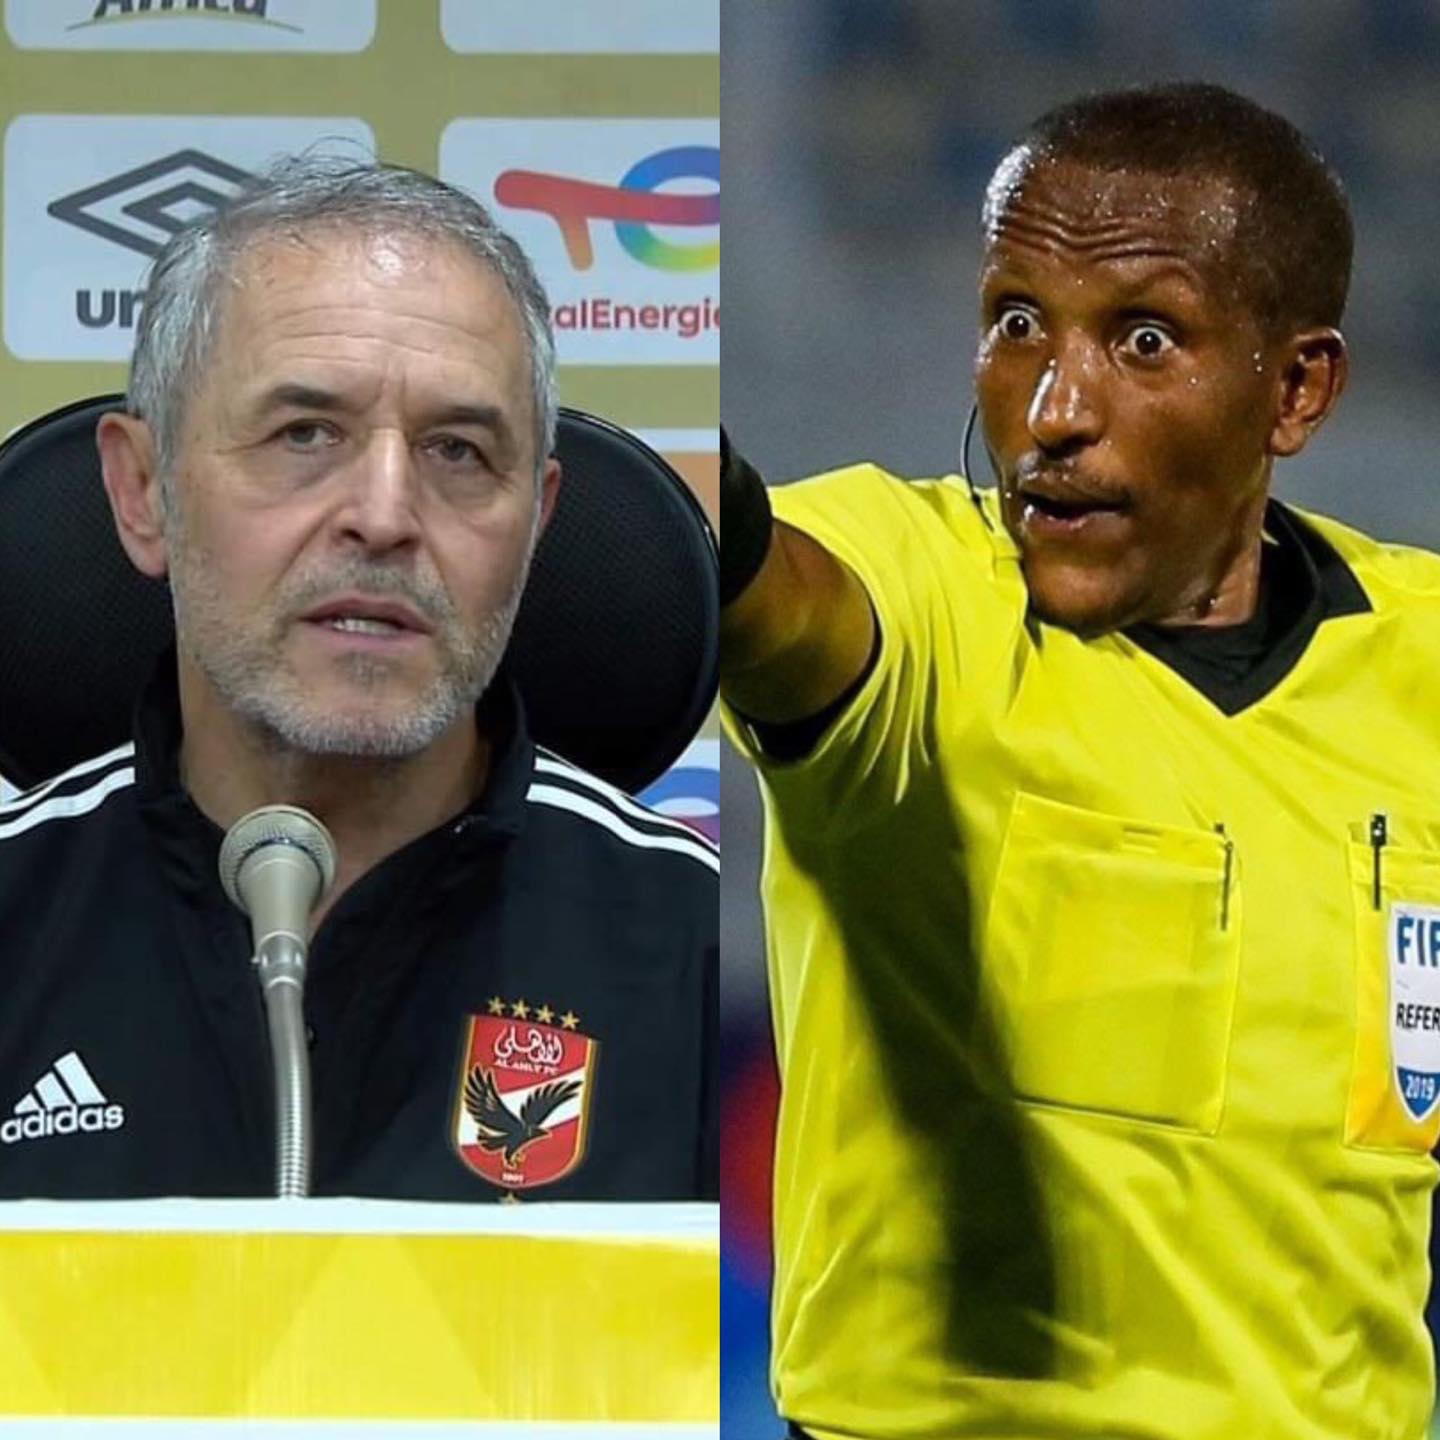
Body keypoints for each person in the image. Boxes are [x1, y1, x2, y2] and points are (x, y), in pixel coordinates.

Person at [722, 82, 1440, 1440]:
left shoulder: (1422, 660)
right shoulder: (918, 591)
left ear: (1295, 388)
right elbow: (772, 599)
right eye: (1015, 324)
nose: (1053, 407)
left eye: (1144, 338)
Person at [0, 155, 717, 1201]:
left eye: (458, 451)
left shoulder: (703, 955)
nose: (384, 516)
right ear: (143, 489)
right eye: (305, 435)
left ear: (536, 523)